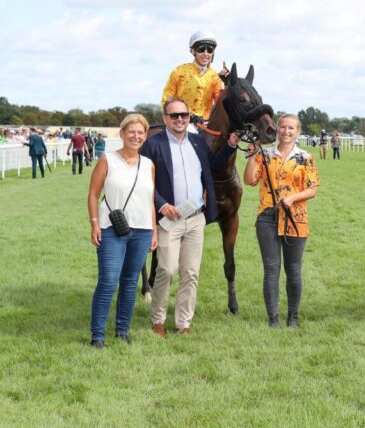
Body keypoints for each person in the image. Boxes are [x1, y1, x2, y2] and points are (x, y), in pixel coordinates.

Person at [141, 98, 239, 337]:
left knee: (191, 273)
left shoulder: (197, 141)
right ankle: (158, 319)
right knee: (166, 269)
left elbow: (213, 164)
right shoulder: (153, 144)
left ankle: (183, 322)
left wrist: (231, 145)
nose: (180, 119)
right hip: (169, 219)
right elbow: (143, 181)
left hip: (195, 218)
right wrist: (161, 205)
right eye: (174, 115)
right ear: (165, 118)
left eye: (183, 115)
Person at [87, 114, 157, 348]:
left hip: (142, 230)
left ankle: (122, 331)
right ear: (122, 134)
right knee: (108, 281)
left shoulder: (148, 165)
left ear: (145, 136)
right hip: (111, 228)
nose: (136, 136)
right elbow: (93, 194)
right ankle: (97, 336)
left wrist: (154, 231)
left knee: (129, 282)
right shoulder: (108, 160)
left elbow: (151, 201)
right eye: (132, 132)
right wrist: (95, 223)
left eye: (140, 133)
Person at [244, 114, 319, 328]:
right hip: (267, 217)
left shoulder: (306, 158)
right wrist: (251, 157)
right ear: (277, 129)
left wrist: (292, 198)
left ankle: (292, 317)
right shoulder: (265, 155)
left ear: (298, 132)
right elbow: (250, 180)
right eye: (283, 127)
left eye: (291, 128)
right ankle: (273, 319)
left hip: (296, 217)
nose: (286, 131)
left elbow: (312, 189)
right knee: (271, 268)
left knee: (293, 269)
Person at [160, 30, 225, 122]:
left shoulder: (216, 77)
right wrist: (184, 115)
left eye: (210, 50)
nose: (206, 54)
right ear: (193, 51)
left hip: (205, 123)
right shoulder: (179, 71)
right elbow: (166, 100)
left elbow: (221, 104)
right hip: (181, 121)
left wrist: (227, 84)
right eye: (201, 49)